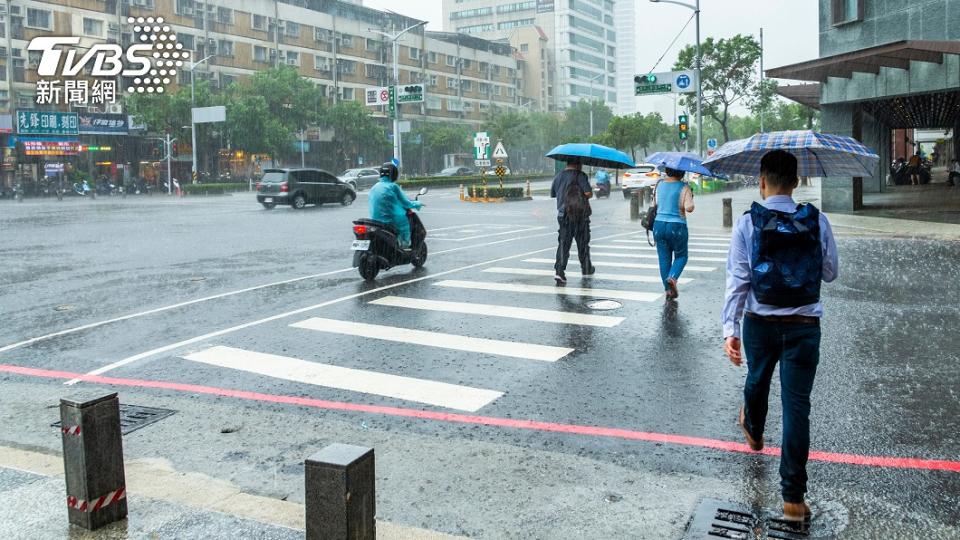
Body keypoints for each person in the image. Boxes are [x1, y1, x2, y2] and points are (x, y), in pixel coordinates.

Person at [722, 150, 839, 523]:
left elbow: (738, 280)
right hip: (805, 326)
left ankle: (753, 430)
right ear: (797, 181)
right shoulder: (816, 221)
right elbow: (831, 272)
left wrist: (730, 329)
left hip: (759, 322)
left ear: (761, 181)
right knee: (796, 407)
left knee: (756, 381)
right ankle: (792, 498)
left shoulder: (748, 223)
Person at [653, 167, 695, 300]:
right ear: (682, 172)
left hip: (658, 225)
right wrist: (690, 196)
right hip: (677, 226)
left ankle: (668, 291)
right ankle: (673, 277)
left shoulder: (659, 185)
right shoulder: (684, 187)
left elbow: (654, 204)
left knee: (664, 259)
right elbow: (689, 208)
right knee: (681, 256)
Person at [550, 160, 594, 284]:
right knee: (583, 243)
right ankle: (586, 268)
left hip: (563, 216)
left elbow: (553, 193)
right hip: (580, 216)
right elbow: (588, 193)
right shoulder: (580, 175)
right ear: (578, 163)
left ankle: (559, 272)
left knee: (563, 244)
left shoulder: (558, 176)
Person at [368, 161, 422, 250]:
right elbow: (406, 203)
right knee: (405, 223)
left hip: (375, 220)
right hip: (389, 220)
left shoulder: (374, 186)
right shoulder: (393, 186)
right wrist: (417, 204)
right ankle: (405, 244)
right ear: (394, 174)